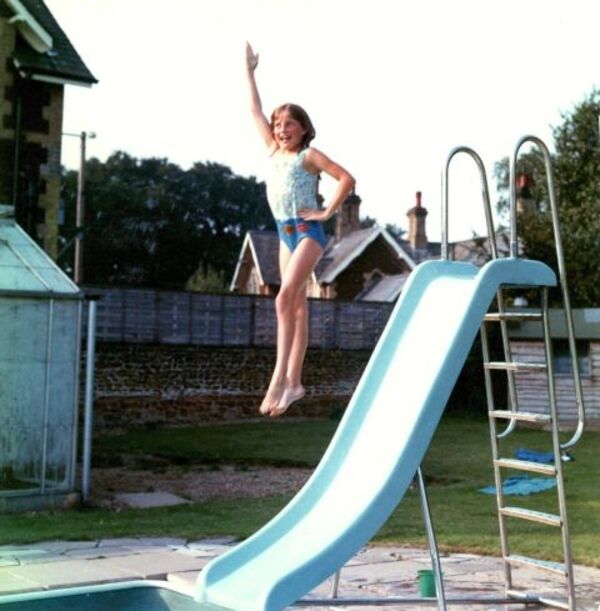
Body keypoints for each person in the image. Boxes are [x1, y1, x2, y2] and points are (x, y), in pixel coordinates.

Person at [245, 42, 355, 418]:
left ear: (303, 128)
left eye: (289, 124)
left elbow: (346, 178)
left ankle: (278, 380)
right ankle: (294, 382)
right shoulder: (273, 151)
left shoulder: (309, 156)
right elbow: (254, 109)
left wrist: (326, 212)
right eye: (278, 125)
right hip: (284, 233)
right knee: (297, 308)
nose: (281, 129)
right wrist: (249, 71)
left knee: (283, 299)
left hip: (308, 231)